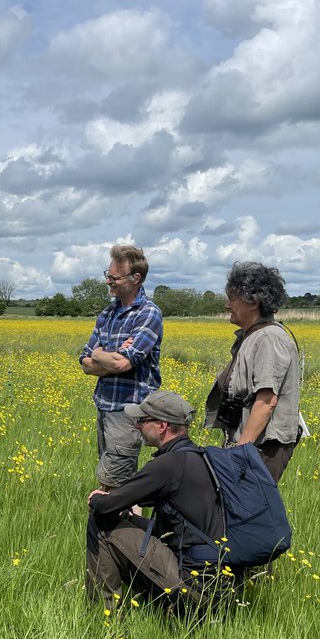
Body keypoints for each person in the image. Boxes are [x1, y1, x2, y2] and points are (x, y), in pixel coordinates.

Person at [86, 390, 226, 615]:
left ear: (161, 426)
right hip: (219, 580)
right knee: (128, 519)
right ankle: (152, 601)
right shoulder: (198, 457)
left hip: (195, 586)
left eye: (142, 420)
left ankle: (103, 615)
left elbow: (106, 505)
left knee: (101, 523)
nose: (138, 425)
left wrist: (97, 499)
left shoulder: (168, 465)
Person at [204, 261, 302, 483]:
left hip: (263, 446)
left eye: (232, 298)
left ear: (253, 302)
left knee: (250, 509)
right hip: (251, 443)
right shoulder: (253, 335)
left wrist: (240, 451)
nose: (227, 305)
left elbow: (267, 400)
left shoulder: (269, 338)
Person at [79, 244, 162, 491]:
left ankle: (126, 529)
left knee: (118, 485)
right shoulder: (108, 313)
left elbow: (124, 362)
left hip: (127, 411)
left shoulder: (148, 314)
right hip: (104, 405)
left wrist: (101, 354)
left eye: (114, 277)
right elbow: (85, 362)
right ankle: (117, 529)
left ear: (135, 278)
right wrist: (104, 357)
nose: (108, 282)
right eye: (108, 275)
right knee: (113, 481)